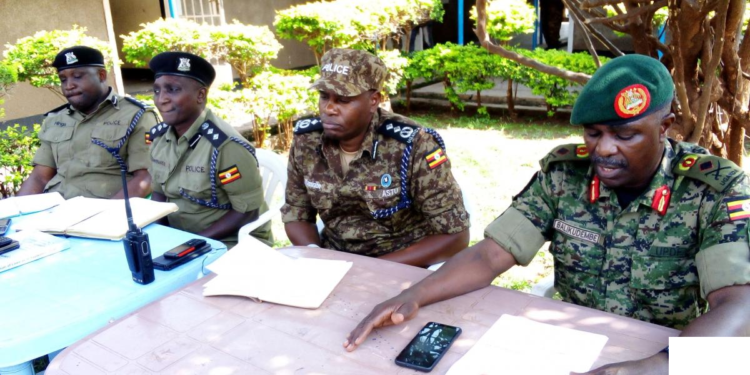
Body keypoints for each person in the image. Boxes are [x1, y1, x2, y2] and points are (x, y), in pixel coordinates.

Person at [343, 54, 750, 373]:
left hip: (667, 350)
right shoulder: (564, 176)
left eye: (625, 135)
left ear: (665, 128)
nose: (604, 150)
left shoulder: (712, 190)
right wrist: (413, 294)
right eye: (594, 133)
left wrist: (660, 367)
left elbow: (740, 305)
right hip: (567, 346)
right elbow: (490, 255)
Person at [282, 48, 470, 267]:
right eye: (324, 97)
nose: (329, 108)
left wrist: (370, 269)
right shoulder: (307, 141)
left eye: (343, 100)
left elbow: (455, 237)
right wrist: (315, 256)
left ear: (373, 100)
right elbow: (296, 213)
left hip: (403, 264)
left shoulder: (414, 144)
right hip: (334, 262)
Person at [147, 52, 271, 247]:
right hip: (180, 238)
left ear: (200, 95)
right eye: (156, 90)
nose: (161, 99)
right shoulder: (161, 139)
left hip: (229, 242)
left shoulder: (225, 146)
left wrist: (190, 245)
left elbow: (247, 211)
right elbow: (159, 193)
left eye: (172, 89)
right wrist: (159, 237)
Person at [17, 46, 157, 199]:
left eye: (77, 76)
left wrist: (106, 216)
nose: (69, 85)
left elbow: (146, 178)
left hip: (108, 211)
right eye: (63, 79)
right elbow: (40, 177)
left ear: (101, 75)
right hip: (57, 211)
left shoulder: (137, 115)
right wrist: (15, 214)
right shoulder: (56, 119)